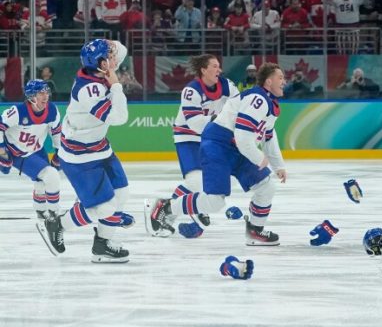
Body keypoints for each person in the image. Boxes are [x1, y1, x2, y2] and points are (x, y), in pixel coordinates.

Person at [36, 39, 133, 262]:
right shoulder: (90, 89)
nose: (115, 58)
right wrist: (117, 84)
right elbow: (120, 118)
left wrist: (106, 45)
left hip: (99, 147)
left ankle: (102, 245)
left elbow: (122, 48)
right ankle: (57, 224)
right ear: (100, 63)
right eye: (109, 56)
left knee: (121, 194)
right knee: (106, 207)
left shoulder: (99, 72)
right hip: (81, 156)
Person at [168, 62, 287, 244]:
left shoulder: (269, 103)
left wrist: (278, 165)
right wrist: (259, 158)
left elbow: (268, 136)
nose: (284, 82)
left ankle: (255, 231)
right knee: (215, 202)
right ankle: (168, 208)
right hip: (218, 145)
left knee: (266, 185)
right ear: (269, 82)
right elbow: (242, 136)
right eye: (281, 78)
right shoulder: (258, 99)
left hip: (237, 148)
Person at [145, 54, 239, 237]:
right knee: (196, 181)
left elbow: (239, 107)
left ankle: (166, 211)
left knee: (219, 179)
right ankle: (178, 211)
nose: (219, 69)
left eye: (219, 66)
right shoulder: (191, 90)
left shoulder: (228, 85)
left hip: (212, 137)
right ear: (203, 70)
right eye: (214, 66)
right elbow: (195, 124)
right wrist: (223, 120)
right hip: (188, 136)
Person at [0, 80, 62, 219]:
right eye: (41, 93)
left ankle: (41, 211)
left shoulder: (52, 110)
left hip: (37, 150)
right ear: (31, 96)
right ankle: (54, 216)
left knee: (41, 182)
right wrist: (2, 152)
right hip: (18, 153)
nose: (45, 96)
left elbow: (56, 132)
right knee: (51, 176)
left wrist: (59, 153)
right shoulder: (18, 111)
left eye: (46, 92)